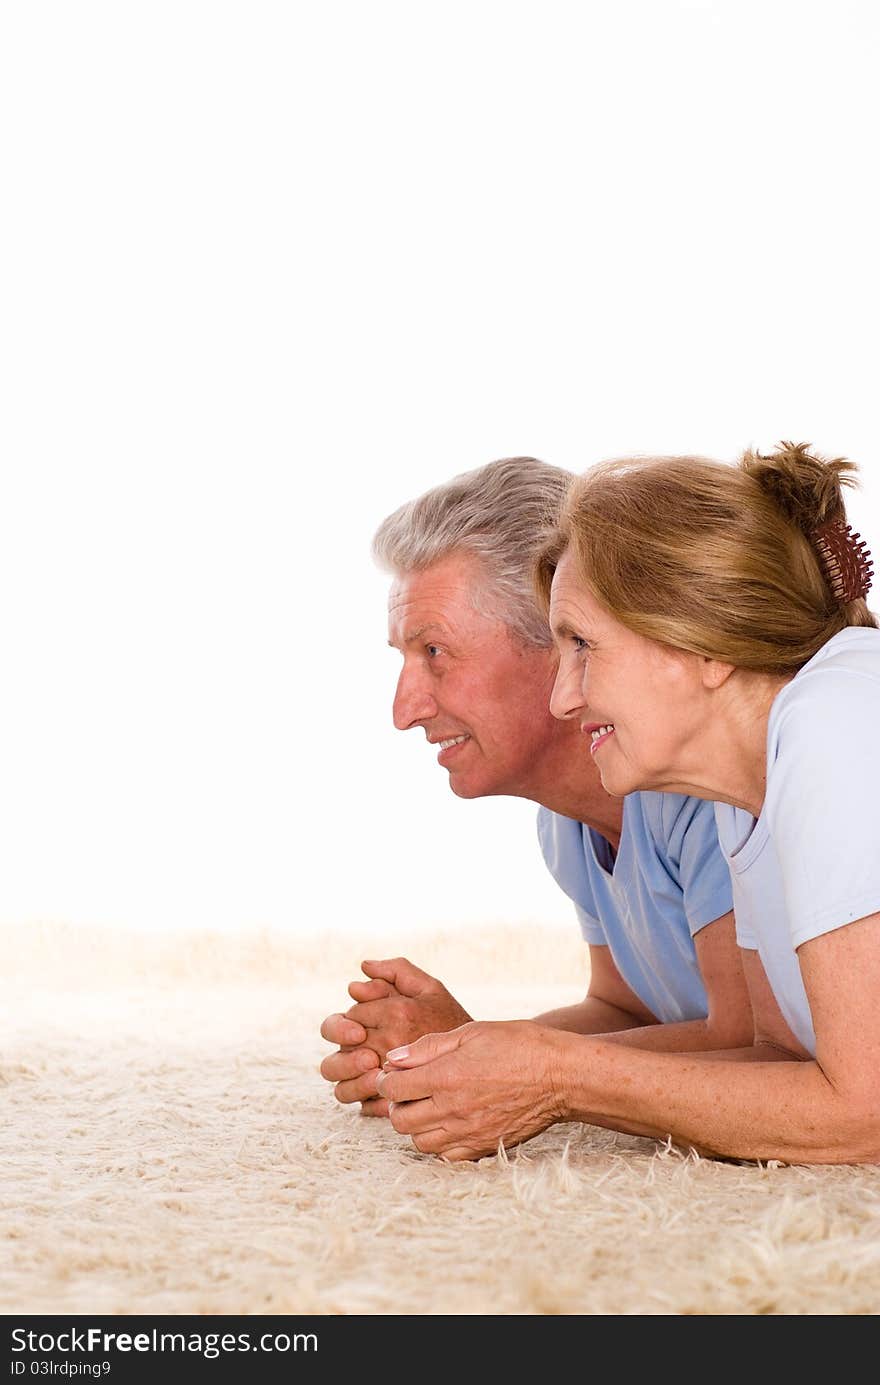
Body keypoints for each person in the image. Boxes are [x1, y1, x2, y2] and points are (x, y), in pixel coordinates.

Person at [376, 442, 880, 1166]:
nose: (564, 694)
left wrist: (560, 1075)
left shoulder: (832, 716)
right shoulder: (743, 785)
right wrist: (491, 1062)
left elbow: (865, 1111)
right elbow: (775, 1055)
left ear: (702, 642)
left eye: (582, 643)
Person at [319, 456, 751, 1120]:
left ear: (559, 637)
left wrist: (530, 1067)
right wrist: (458, 1053)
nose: (403, 709)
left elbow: (746, 1038)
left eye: (433, 652)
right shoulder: (566, 821)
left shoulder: (698, 785)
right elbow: (624, 1007)